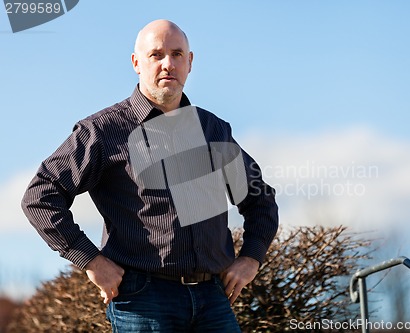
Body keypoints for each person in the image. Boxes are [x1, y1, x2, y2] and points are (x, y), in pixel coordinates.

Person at [21, 19, 279, 332]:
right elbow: (41, 195)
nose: (168, 64)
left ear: (190, 62)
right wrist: (90, 259)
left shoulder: (213, 130)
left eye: (177, 54)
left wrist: (250, 258)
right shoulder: (102, 131)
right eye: (156, 55)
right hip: (143, 301)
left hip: (213, 298)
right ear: (136, 63)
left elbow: (259, 198)